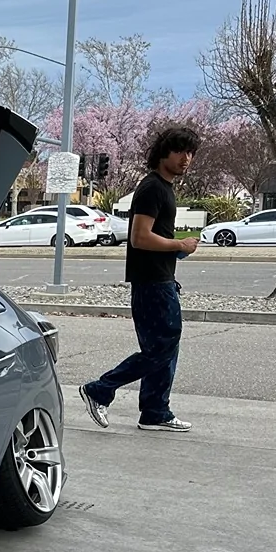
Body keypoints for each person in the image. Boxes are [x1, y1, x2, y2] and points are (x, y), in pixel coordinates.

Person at [79, 126, 202, 432]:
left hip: (159, 280)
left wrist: (176, 251)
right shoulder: (153, 189)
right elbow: (139, 238)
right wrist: (179, 245)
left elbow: (151, 239)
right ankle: (100, 389)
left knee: (165, 347)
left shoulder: (163, 188)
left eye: (191, 153)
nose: (186, 159)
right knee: (161, 348)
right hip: (152, 284)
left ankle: (155, 411)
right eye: (180, 151)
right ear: (164, 153)